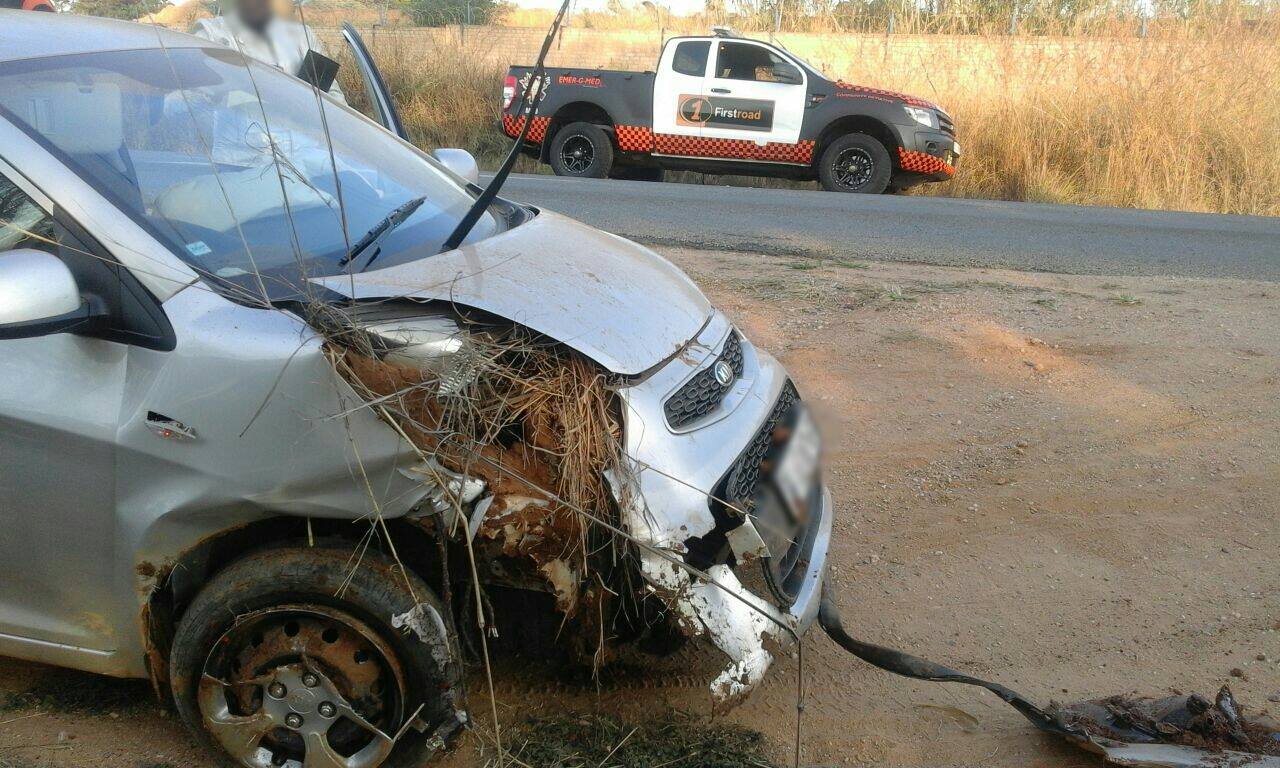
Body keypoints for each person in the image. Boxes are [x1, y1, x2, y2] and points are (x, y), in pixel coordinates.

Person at [191, 0, 345, 102]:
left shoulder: (304, 37)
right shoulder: (212, 33)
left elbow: (333, 99)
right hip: (237, 146)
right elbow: (193, 98)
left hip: (302, 146)